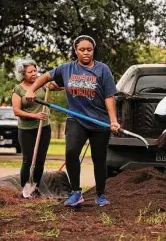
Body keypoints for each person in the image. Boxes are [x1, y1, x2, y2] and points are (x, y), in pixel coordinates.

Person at [24, 35, 121, 207]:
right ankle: (76, 192)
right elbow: (46, 77)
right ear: (76, 51)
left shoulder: (103, 70)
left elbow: (109, 96)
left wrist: (113, 120)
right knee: (71, 153)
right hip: (76, 118)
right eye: (82, 50)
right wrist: (32, 89)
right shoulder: (66, 68)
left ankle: (101, 195)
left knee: (99, 158)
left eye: (89, 50)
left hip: (100, 121)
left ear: (93, 51)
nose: (86, 53)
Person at [12, 57, 60, 198]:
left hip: (44, 127)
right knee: (28, 159)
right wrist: (35, 116)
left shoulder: (42, 85)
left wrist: (55, 85)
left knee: (40, 159)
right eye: (30, 72)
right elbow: (16, 111)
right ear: (23, 74)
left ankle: (35, 187)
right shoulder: (18, 90)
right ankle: (24, 189)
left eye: (35, 70)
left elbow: (60, 87)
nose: (34, 74)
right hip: (26, 129)